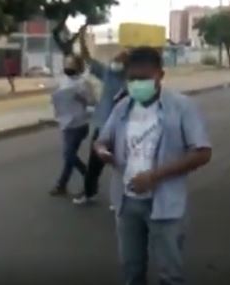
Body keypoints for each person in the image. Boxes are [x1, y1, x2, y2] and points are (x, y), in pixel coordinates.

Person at [94, 47, 212, 285]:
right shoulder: (122, 106)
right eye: (132, 79)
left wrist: (155, 176)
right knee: (131, 269)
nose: (137, 84)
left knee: (170, 274)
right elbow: (101, 140)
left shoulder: (182, 107)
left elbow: (202, 152)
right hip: (126, 204)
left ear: (160, 75)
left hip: (165, 205)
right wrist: (102, 152)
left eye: (144, 78)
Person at [73, 27, 128, 205]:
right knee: (95, 164)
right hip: (102, 127)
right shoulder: (107, 73)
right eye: (116, 58)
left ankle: (122, 196)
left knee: (122, 165)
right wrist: (81, 39)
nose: (115, 61)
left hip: (122, 129)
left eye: (120, 59)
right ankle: (89, 192)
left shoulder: (132, 80)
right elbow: (87, 58)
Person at [49, 55, 95, 196]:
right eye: (66, 63)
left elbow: (93, 102)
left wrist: (82, 99)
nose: (68, 67)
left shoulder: (84, 83)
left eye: (71, 64)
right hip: (66, 123)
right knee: (70, 156)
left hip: (79, 124)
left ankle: (89, 176)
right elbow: (56, 100)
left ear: (78, 66)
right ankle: (62, 185)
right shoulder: (62, 81)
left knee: (68, 155)